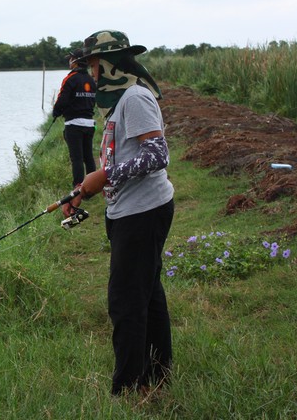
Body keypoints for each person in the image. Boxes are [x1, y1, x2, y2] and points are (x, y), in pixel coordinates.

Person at [62, 30, 174, 396]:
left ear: (109, 65)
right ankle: (156, 377)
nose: (90, 75)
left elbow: (157, 156)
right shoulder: (120, 102)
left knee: (126, 303)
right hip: (128, 212)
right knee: (147, 294)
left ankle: (127, 388)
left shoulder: (136, 98)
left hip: (143, 214)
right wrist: (83, 190)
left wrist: (104, 176)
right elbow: (122, 158)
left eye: (92, 66)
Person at [52, 51, 97, 188]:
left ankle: (78, 187)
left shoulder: (70, 78)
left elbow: (62, 99)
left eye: (70, 59)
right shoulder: (91, 79)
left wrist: (56, 112)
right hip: (89, 124)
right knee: (88, 157)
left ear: (75, 61)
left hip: (73, 124)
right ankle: (93, 186)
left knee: (77, 158)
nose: (69, 61)